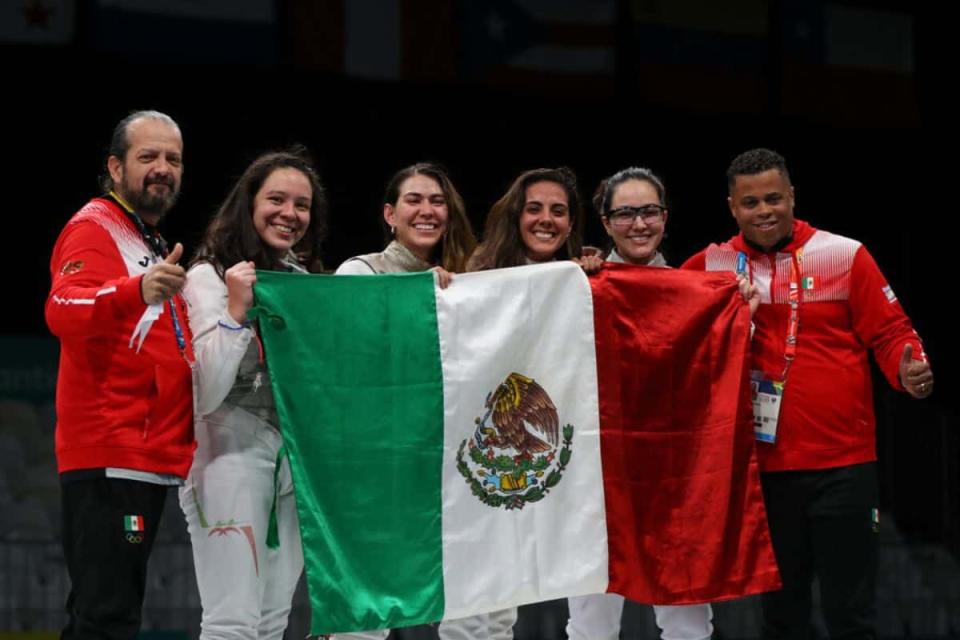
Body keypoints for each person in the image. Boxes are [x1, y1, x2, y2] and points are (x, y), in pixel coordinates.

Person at [682, 148, 933, 638]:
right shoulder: (710, 265)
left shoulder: (845, 254)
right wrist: (593, 269)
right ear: (732, 207)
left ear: (792, 196)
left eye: (774, 198)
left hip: (844, 465)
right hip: (760, 469)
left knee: (852, 614)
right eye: (750, 202)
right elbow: (649, 304)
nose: (764, 211)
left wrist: (909, 367)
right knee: (781, 618)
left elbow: (890, 332)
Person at [45, 110, 193, 640]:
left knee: (102, 612)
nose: (162, 168)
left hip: (141, 456)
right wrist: (136, 291)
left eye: (172, 159)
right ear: (115, 166)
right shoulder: (94, 226)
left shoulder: (146, 238)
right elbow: (62, 308)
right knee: (107, 617)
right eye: (148, 156)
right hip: (112, 455)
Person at [566, 167, 720, 640]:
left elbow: (726, 362)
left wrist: (743, 311)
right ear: (605, 221)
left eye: (649, 211)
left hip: (677, 476)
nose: (639, 223)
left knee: (688, 619)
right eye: (626, 213)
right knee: (592, 621)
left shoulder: (697, 293)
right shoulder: (577, 284)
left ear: (665, 218)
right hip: (598, 475)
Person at [179, 149, 327, 640]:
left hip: (291, 465)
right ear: (249, 203)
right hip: (228, 452)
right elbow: (204, 392)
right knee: (232, 620)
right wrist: (235, 315)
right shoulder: (208, 276)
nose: (290, 214)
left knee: (271, 620)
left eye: (302, 205)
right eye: (277, 200)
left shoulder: (300, 282)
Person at [333, 162, 476, 640]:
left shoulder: (466, 282)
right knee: (367, 615)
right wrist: (418, 296)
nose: (427, 210)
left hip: (440, 472)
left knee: (461, 614)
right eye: (414, 200)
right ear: (390, 214)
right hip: (373, 473)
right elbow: (350, 351)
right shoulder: (360, 270)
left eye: (437, 201)